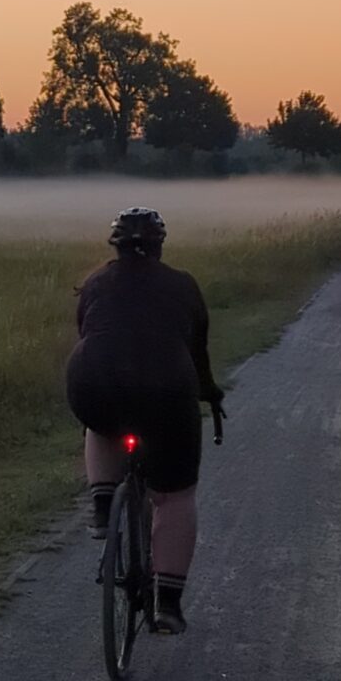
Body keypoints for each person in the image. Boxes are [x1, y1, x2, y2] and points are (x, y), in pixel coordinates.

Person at [66, 206, 225, 635]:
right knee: (174, 496)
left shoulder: (97, 282)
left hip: (94, 380)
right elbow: (198, 355)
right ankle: (167, 603)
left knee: (100, 422)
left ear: (114, 246)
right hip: (168, 389)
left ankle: (103, 504)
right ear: (159, 246)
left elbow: (88, 333)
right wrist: (209, 392)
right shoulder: (183, 285)